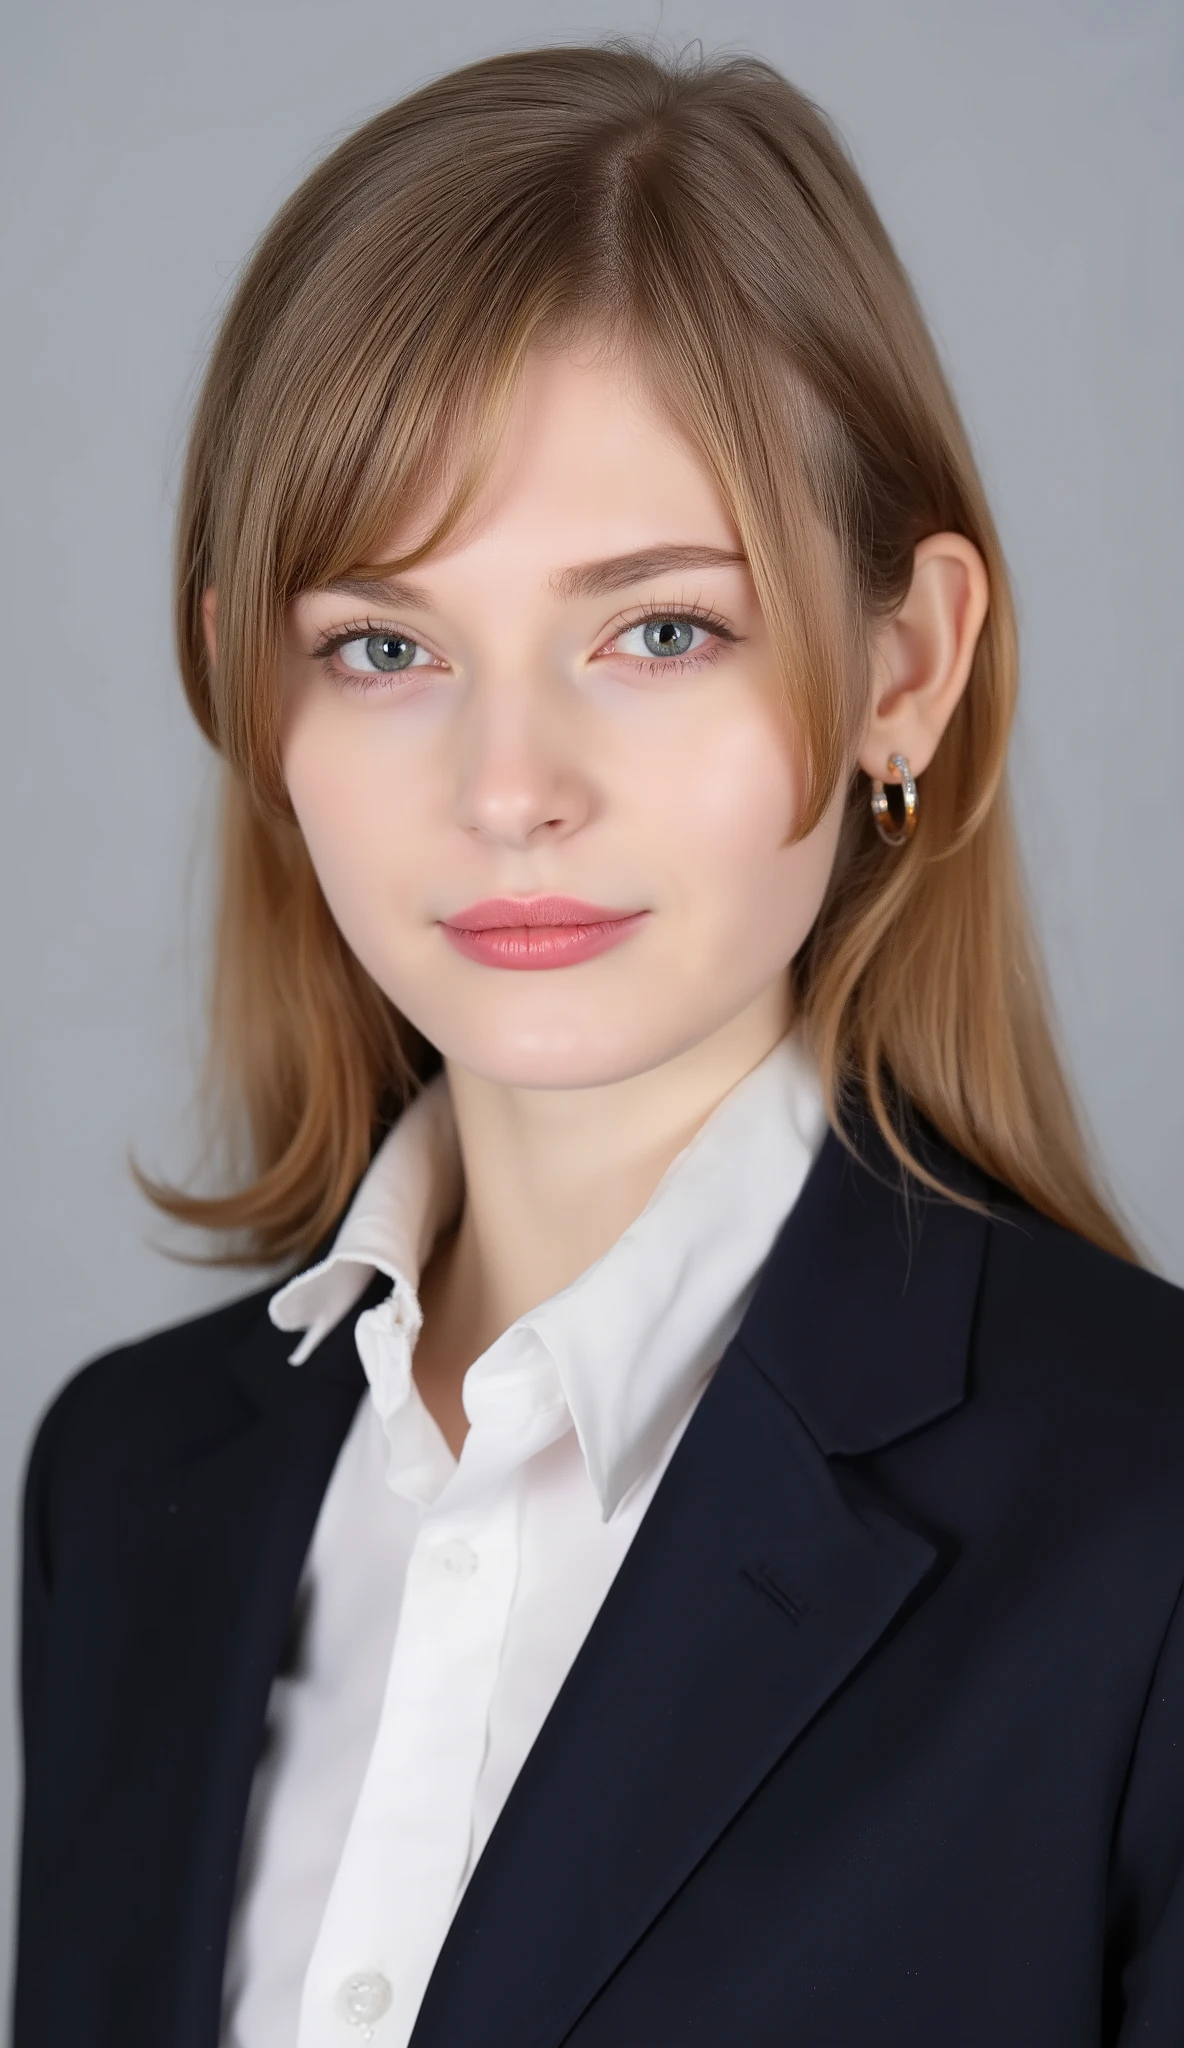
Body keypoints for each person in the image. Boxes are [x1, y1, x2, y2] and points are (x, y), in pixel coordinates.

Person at [12, 39, 1184, 2048]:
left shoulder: (1144, 1528)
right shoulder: (123, 1489)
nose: (510, 788)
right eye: (385, 646)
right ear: (246, 688)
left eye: (658, 631)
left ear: (904, 666)